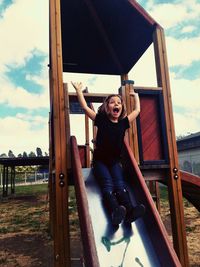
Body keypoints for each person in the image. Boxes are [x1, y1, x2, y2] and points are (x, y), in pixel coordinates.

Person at [71, 81, 145, 226]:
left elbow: (136, 111)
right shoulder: (101, 120)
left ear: (121, 108)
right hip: (100, 162)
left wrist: (136, 97)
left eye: (119, 102)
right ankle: (115, 211)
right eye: (112, 102)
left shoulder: (123, 123)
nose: (116, 104)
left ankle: (130, 212)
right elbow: (85, 107)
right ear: (107, 107)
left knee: (120, 185)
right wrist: (79, 91)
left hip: (115, 162)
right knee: (107, 185)